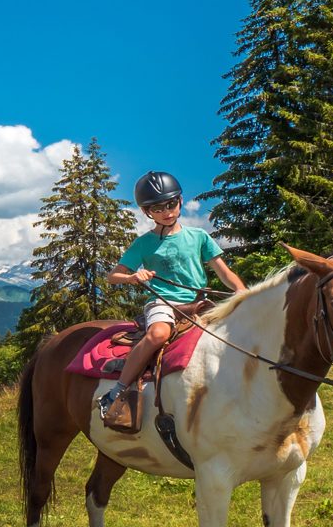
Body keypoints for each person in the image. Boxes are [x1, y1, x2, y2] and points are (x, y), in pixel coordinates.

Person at [98, 171, 245, 432]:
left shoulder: (199, 237)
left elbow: (223, 271)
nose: (166, 211)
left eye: (171, 204)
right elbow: (113, 276)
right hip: (162, 303)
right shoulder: (143, 244)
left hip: (199, 302)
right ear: (147, 212)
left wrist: (242, 292)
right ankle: (117, 392)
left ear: (179, 201)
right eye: (157, 207)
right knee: (158, 334)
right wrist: (133, 277)